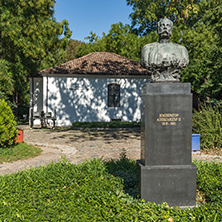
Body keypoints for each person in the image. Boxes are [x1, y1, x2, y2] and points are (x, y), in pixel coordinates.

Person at [141, 17, 189, 82]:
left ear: (171, 29)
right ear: (158, 29)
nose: (165, 27)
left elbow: (184, 63)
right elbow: (145, 63)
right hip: (156, 82)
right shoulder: (148, 49)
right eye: (162, 25)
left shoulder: (181, 50)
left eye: (168, 25)